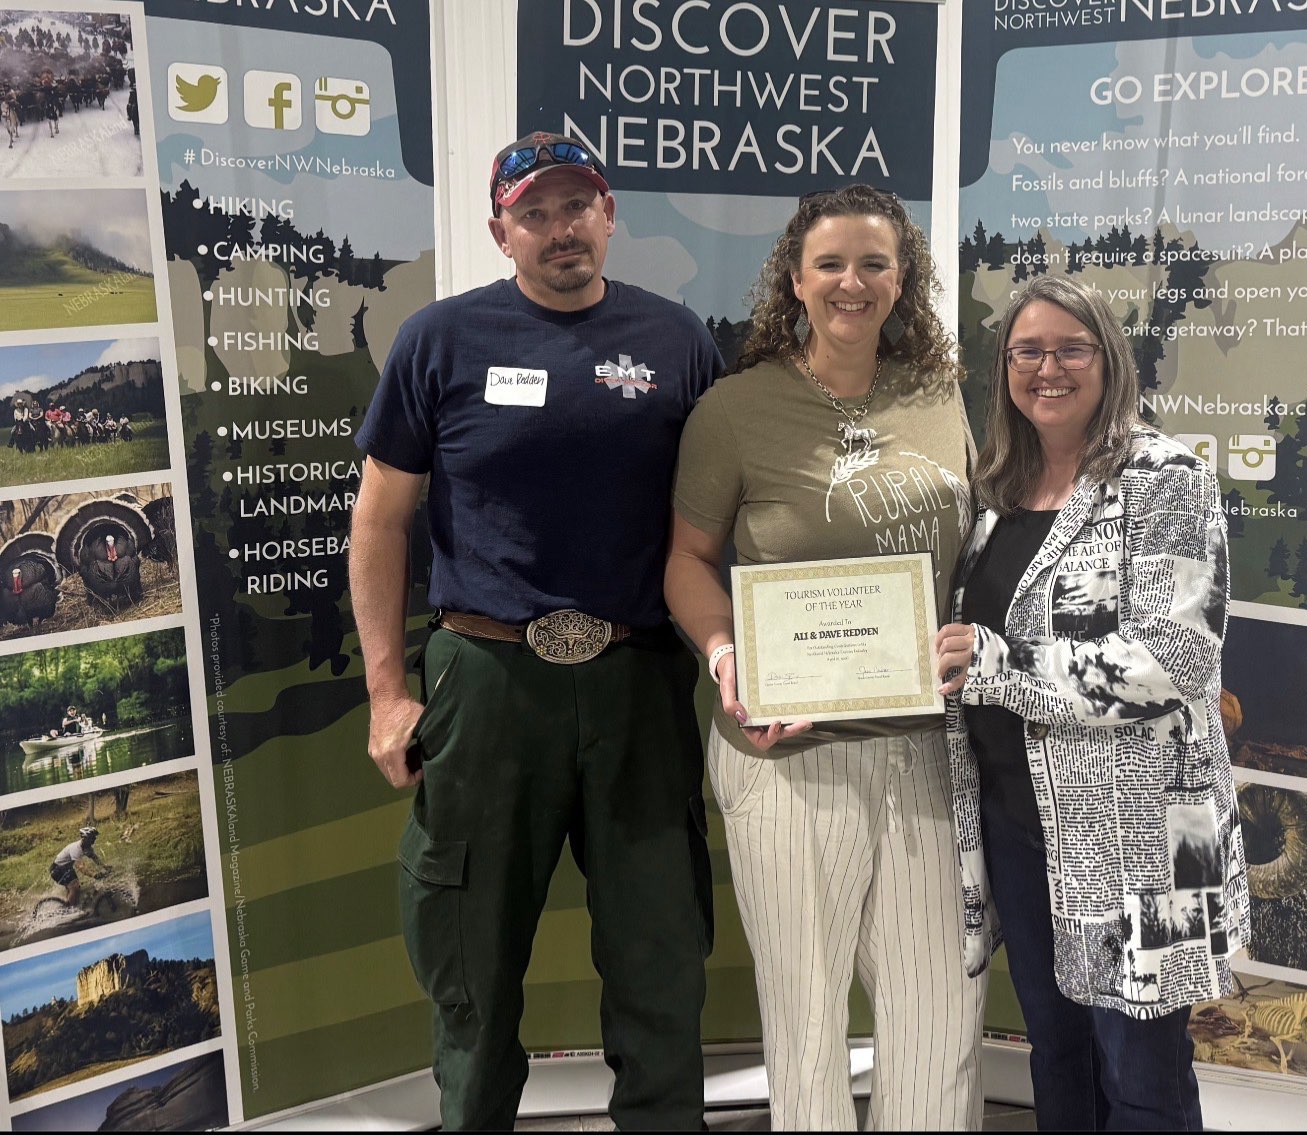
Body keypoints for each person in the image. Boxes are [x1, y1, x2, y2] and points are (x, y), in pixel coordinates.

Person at [350, 132, 723, 1132]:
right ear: (500, 231)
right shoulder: (441, 340)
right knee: (470, 950)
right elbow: (380, 520)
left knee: (661, 950)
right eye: (535, 213)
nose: (560, 230)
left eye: (577, 206)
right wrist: (389, 691)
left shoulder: (679, 340)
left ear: (609, 213)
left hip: (638, 683)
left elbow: (718, 518)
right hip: (486, 680)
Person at [665, 184, 985, 1130]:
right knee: (804, 1021)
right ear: (795, 280)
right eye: (832, 263)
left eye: (875, 263)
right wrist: (726, 655)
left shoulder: (939, 394)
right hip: (787, 748)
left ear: (902, 279)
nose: (854, 282)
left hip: (928, 742)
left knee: (940, 1012)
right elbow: (685, 561)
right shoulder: (735, 409)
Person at [933, 274, 1249, 1131]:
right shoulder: (999, 492)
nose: (1048, 368)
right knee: (1059, 1051)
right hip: (1021, 818)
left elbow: (1176, 656)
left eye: (1070, 348)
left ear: (1108, 360)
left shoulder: (1164, 479)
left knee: (1140, 1071)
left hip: (1141, 833)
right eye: (1026, 351)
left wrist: (1001, 662)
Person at [49, 825, 105, 905]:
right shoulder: (76, 848)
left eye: (94, 838)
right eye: (92, 838)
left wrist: (105, 867)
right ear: (85, 838)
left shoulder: (87, 847)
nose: (94, 840)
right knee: (74, 887)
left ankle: (68, 903)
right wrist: (94, 874)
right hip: (57, 869)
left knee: (75, 887)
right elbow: (81, 867)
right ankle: (71, 909)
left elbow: (94, 858)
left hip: (66, 868)